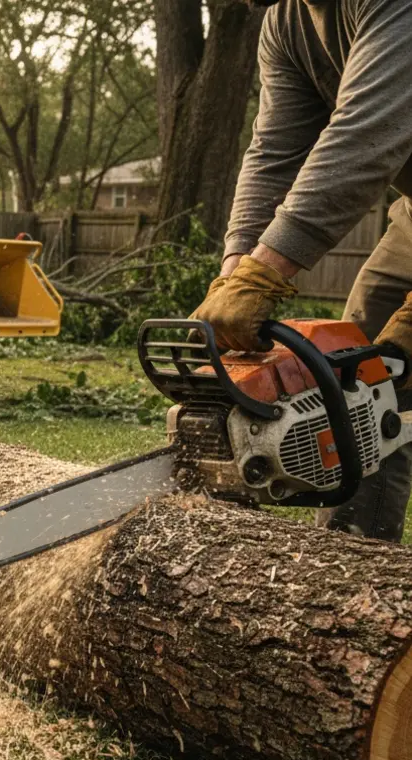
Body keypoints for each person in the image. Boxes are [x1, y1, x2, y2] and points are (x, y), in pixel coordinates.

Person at [190, 0, 412, 542]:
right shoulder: (285, 22)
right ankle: (349, 569)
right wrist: (237, 273)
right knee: (362, 375)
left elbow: (367, 132)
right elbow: (275, 152)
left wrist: (266, 274)